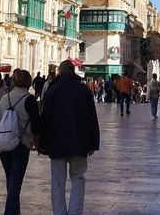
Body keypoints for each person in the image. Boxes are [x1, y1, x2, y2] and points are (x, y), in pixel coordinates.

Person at [40, 60, 100, 215]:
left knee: (58, 181)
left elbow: (45, 118)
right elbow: (92, 117)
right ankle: (75, 211)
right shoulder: (84, 89)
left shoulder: (53, 90)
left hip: (56, 142)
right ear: (73, 71)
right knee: (78, 177)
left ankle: (59, 212)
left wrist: (43, 142)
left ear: (59, 72)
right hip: (80, 142)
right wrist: (93, 143)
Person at [0, 69, 41, 215]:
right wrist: (38, 142)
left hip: (4, 144)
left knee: (11, 181)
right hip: (21, 144)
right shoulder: (30, 99)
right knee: (15, 184)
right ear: (29, 82)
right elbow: (36, 125)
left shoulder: (4, 98)